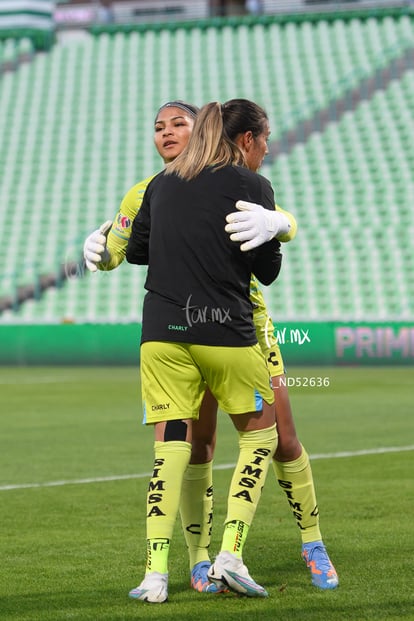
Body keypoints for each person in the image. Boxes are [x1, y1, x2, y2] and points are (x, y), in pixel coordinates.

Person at [83, 100, 338, 593]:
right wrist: (94, 248)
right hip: (198, 331)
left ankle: (313, 542)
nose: (167, 132)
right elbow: (118, 249)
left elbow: (274, 213)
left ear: (203, 128)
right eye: (158, 126)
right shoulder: (146, 191)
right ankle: (203, 560)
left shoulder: (230, 175)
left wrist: (283, 223)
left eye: (179, 123)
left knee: (283, 437)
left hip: (248, 324)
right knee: (198, 444)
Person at [125, 100, 283, 601]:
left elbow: (135, 252)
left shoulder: (159, 184)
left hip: (161, 334)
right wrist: (278, 225)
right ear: (242, 138)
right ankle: (230, 554)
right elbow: (267, 271)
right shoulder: (250, 185)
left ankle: (154, 575)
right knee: (261, 435)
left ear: (198, 132)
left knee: (171, 446)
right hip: (224, 331)